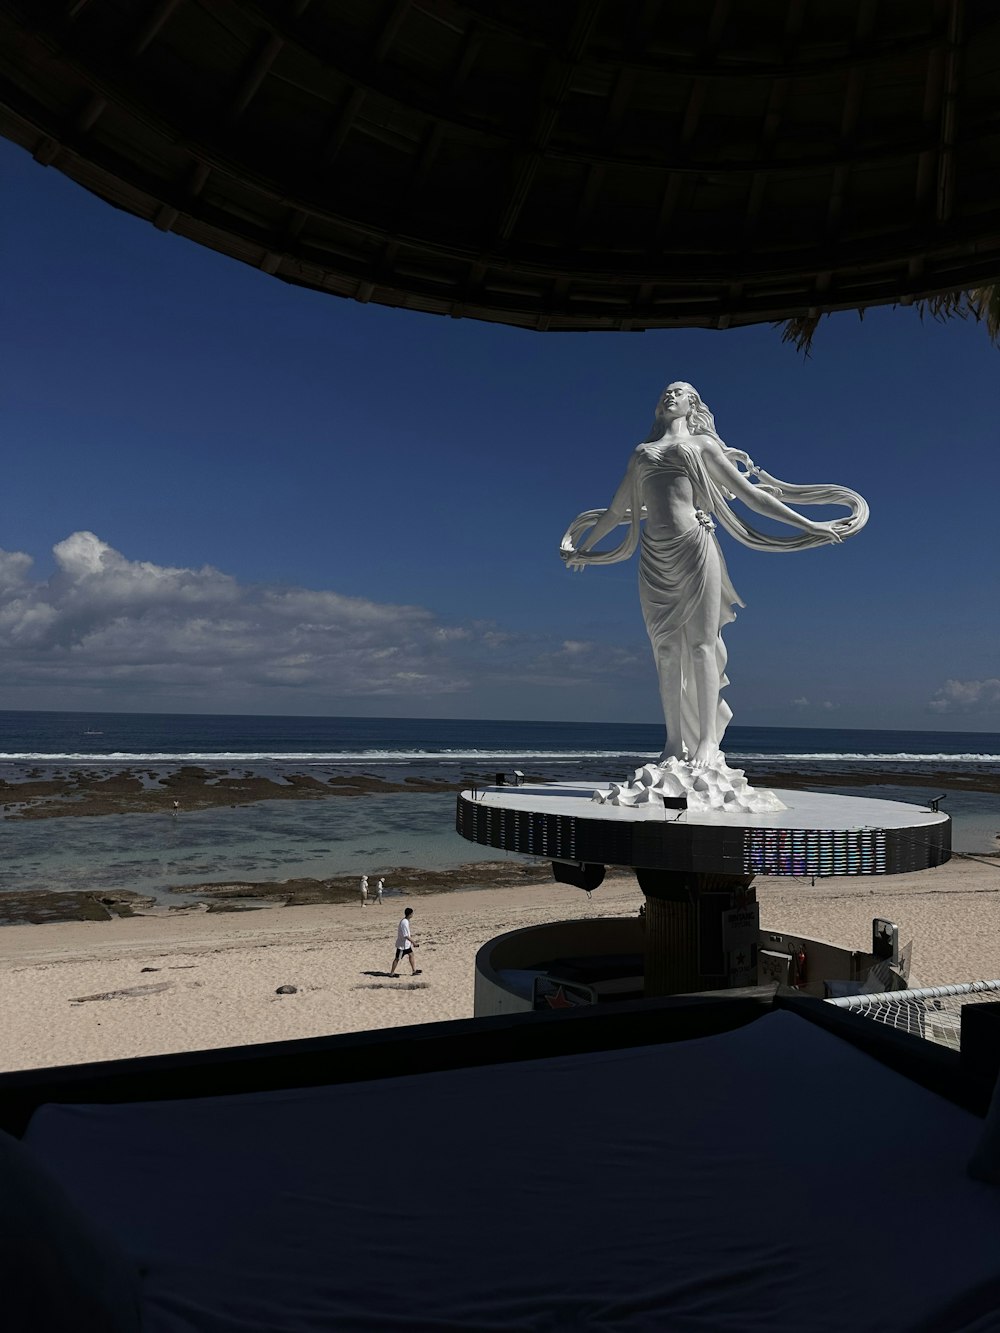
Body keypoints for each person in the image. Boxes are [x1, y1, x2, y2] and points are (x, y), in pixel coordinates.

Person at [560, 381, 868, 770]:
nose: (668, 397)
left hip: (694, 547)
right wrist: (585, 547)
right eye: (664, 394)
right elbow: (615, 512)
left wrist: (809, 524)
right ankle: (674, 741)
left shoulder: (702, 447)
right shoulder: (641, 454)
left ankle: (708, 742)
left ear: (693, 405)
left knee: (703, 645)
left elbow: (755, 496)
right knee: (666, 652)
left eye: (678, 392)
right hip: (654, 557)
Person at [389, 907, 418, 976]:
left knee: (411, 955)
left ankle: (414, 971)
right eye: (412, 913)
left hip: (406, 945)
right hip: (402, 945)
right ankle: (392, 973)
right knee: (397, 959)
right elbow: (406, 935)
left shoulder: (406, 921)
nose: (413, 914)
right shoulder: (404, 922)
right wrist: (413, 942)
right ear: (410, 914)